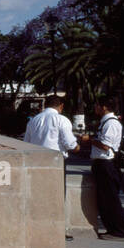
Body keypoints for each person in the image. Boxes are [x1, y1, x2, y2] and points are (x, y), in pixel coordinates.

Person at [25, 95, 80, 238]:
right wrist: (78, 146)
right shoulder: (62, 120)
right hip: (56, 161)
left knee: (38, 196)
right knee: (57, 196)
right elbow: (70, 144)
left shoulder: (34, 120)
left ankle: (38, 229)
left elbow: (26, 142)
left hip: (36, 161)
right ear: (61, 106)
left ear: (45, 104)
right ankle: (57, 230)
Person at [81, 95, 124, 240]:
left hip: (107, 164)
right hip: (101, 164)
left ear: (104, 107)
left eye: (97, 105)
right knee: (104, 199)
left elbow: (105, 145)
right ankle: (111, 230)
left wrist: (89, 140)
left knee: (110, 199)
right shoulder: (105, 122)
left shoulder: (111, 124)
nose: (95, 108)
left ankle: (119, 232)